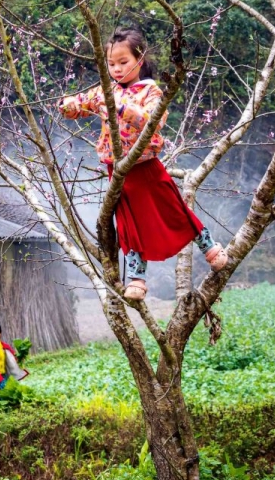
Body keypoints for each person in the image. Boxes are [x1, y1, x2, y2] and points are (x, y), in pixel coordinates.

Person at [60, 27, 229, 301]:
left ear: (139, 60)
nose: (116, 69)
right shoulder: (106, 90)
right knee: (128, 224)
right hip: (117, 169)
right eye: (111, 64)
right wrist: (66, 104)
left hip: (146, 165)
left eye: (123, 62)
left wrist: (118, 106)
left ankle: (209, 247)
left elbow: (154, 121)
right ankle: (137, 279)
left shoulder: (150, 91)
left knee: (174, 207)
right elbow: (78, 105)